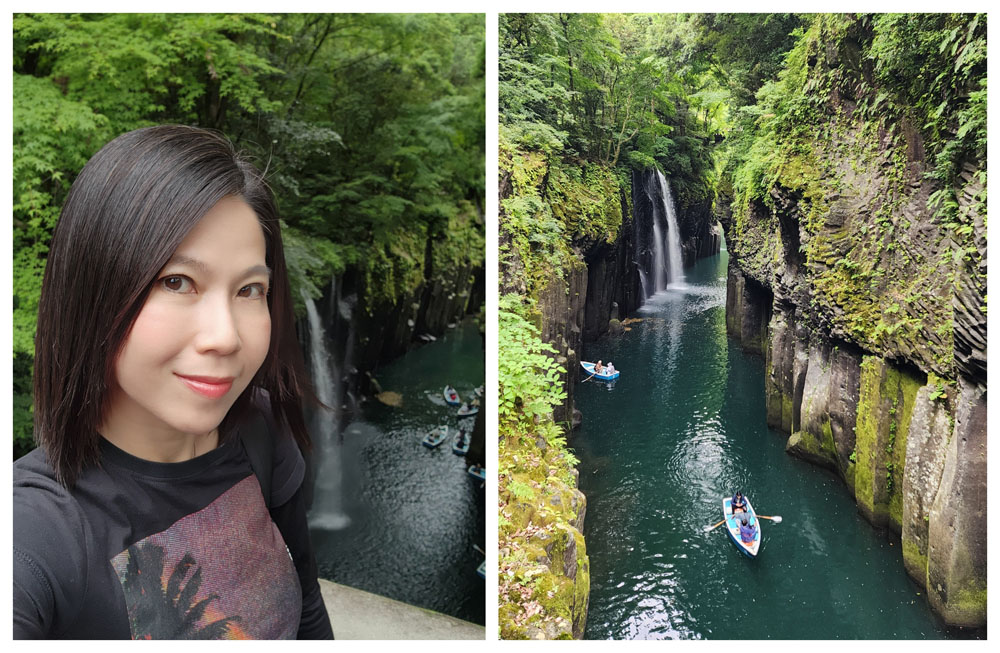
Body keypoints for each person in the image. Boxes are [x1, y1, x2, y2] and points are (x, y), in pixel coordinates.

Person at [13, 126, 334, 640]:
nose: (225, 337)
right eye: (176, 281)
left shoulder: (261, 429)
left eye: (250, 289)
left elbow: (309, 605)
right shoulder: (37, 532)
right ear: (93, 290)